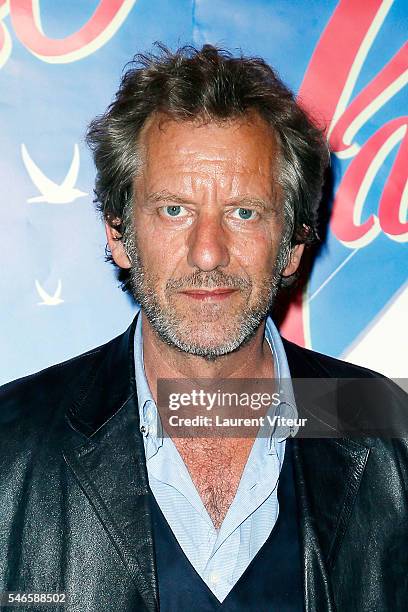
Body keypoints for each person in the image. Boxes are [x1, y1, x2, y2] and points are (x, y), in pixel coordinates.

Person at [0, 44, 407, 612]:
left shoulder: (386, 432)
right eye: (174, 210)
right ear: (119, 234)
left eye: (244, 212)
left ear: (291, 245)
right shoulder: (10, 448)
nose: (208, 253)